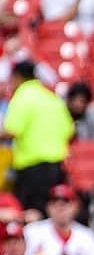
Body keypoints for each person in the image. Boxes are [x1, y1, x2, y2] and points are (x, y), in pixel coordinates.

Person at [0, 60, 74, 217]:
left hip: (32, 166)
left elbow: (11, 131)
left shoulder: (23, 96)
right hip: (56, 166)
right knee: (49, 213)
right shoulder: (52, 98)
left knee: (31, 215)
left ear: (17, 77)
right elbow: (69, 131)